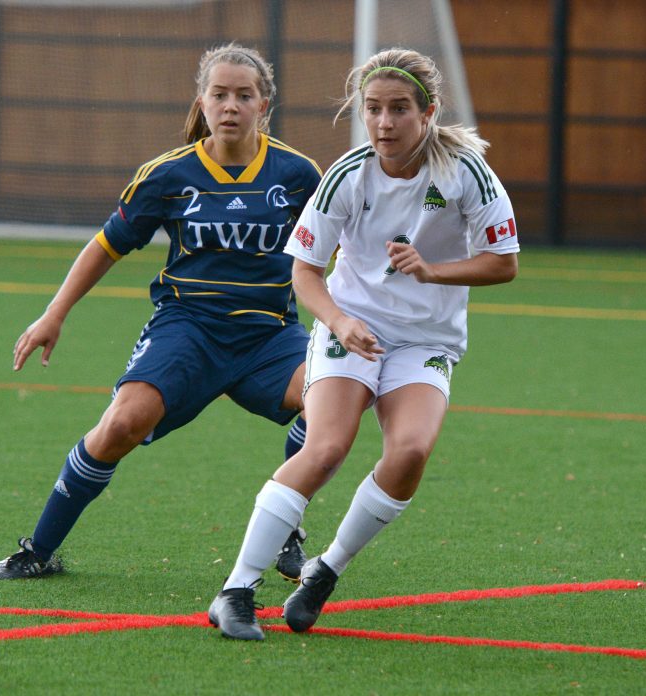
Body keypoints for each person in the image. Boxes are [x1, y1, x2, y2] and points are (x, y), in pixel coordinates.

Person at [0, 44, 322, 581]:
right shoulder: (167, 175)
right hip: (188, 329)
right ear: (202, 103)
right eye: (219, 94)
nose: (231, 106)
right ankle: (38, 551)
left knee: (326, 401)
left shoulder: (299, 174)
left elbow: (336, 250)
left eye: (243, 95)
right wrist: (54, 313)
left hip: (269, 336)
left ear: (265, 104)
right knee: (121, 425)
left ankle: (285, 531)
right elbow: (106, 246)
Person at [207, 47, 520, 640]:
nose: (383, 123)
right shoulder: (348, 175)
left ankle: (325, 570)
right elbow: (304, 271)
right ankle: (236, 590)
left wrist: (432, 272)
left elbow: (504, 264)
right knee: (326, 449)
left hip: (423, 339)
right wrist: (339, 320)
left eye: (398, 109)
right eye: (372, 109)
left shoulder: (467, 174)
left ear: (428, 112)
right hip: (351, 327)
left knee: (409, 455)